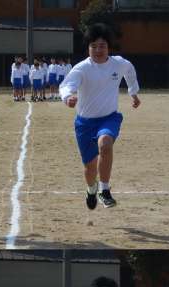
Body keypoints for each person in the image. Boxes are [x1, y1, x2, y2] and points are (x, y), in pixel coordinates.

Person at [59, 23, 140, 210]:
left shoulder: (119, 63)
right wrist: (68, 97)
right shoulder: (82, 68)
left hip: (109, 118)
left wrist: (133, 93)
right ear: (88, 48)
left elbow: (130, 71)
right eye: (93, 46)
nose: (97, 50)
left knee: (105, 144)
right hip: (84, 123)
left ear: (108, 47)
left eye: (102, 46)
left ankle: (104, 190)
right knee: (89, 168)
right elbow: (66, 86)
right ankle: (91, 189)